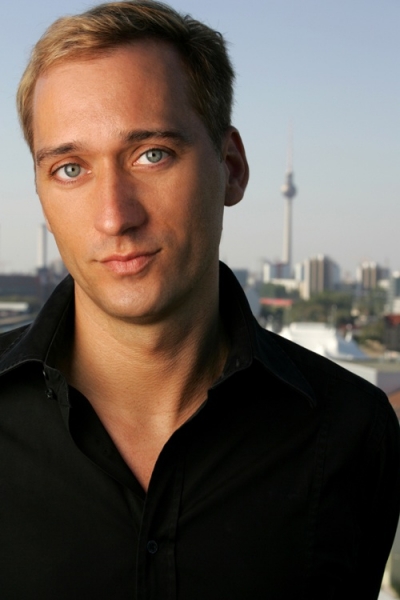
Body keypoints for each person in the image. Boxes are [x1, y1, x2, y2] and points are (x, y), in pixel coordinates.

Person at [0, 2, 399, 598]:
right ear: (39, 190)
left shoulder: (351, 434)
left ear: (231, 167)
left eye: (152, 154)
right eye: (70, 168)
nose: (114, 216)